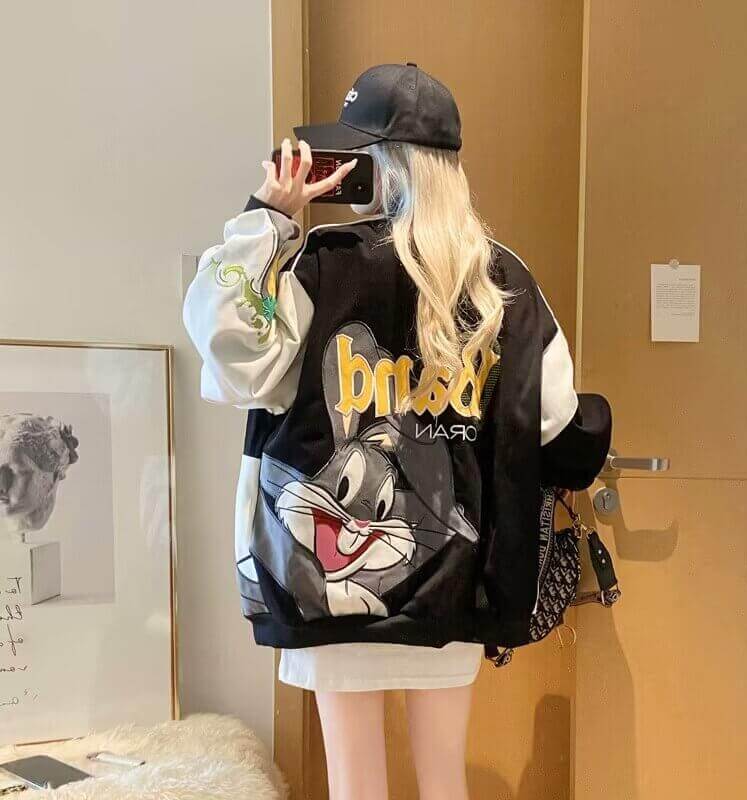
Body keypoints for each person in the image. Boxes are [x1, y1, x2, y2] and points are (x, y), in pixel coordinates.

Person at [183, 63, 611, 800]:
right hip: (454, 579)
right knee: (444, 776)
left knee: (355, 782)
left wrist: (267, 217)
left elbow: (231, 355)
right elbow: (558, 424)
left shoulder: (321, 265)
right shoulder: (503, 282)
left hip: (325, 582)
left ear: (371, 164)